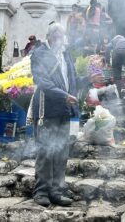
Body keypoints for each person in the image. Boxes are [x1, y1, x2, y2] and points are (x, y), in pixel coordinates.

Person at [31, 23, 103, 207]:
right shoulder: (39, 54)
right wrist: (64, 96)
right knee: (46, 151)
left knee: (61, 152)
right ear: (52, 37)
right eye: (61, 37)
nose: (64, 41)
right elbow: (43, 82)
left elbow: (71, 81)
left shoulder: (65, 54)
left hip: (65, 109)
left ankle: (56, 191)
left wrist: (88, 79)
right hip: (47, 110)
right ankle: (41, 192)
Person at [105, 35, 125, 103]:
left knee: (117, 75)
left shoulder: (113, 40)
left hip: (116, 53)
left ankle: (119, 94)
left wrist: (107, 61)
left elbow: (107, 48)